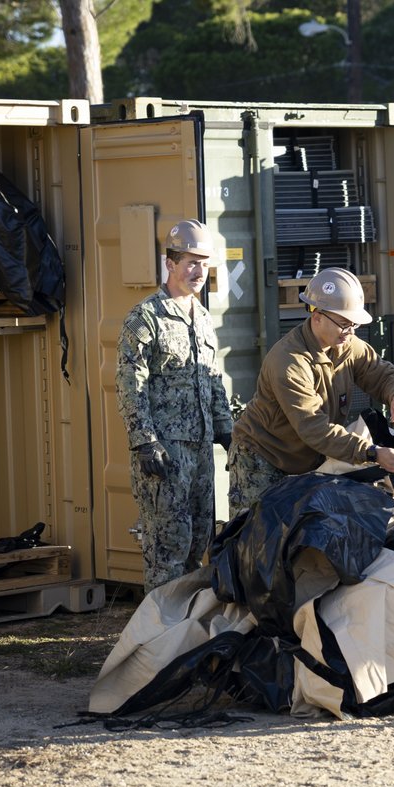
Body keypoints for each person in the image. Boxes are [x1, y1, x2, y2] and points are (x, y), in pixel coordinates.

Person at [229, 267, 394, 517]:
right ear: (316, 316)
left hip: (308, 460)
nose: (351, 331)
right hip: (262, 460)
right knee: (256, 541)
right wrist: (371, 453)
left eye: (354, 324)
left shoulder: (348, 345)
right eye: (344, 324)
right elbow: (314, 428)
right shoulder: (289, 361)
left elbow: (382, 374)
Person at [115, 219, 233, 593]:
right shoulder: (145, 317)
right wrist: (144, 441)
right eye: (190, 262)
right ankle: (158, 634)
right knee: (168, 544)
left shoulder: (201, 316)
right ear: (170, 264)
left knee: (200, 537)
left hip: (199, 450)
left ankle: (184, 631)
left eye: (204, 263)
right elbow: (129, 383)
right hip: (164, 452)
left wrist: (226, 428)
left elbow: (212, 378)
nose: (199, 271)